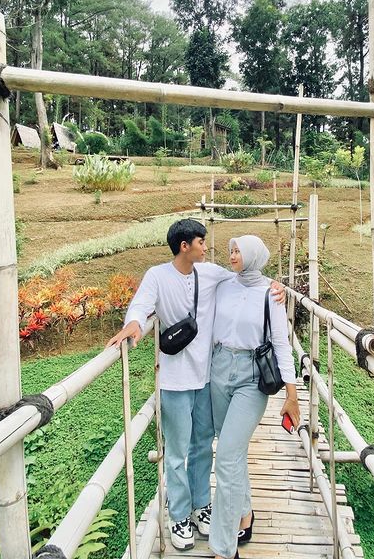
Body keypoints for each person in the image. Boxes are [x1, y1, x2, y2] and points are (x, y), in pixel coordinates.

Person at [106, 219, 284, 551]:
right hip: (174, 380)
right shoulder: (157, 276)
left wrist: (277, 287)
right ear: (185, 246)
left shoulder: (210, 272)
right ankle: (180, 516)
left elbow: (246, 277)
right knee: (176, 452)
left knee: (202, 445)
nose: (207, 247)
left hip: (206, 377)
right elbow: (142, 305)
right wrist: (133, 324)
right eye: (201, 241)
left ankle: (201, 505)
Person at [208, 235, 300, 559]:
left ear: (253, 257)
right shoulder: (222, 283)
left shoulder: (269, 294)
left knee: (227, 457)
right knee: (231, 452)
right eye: (231, 250)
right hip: (218, 370)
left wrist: (292, 395)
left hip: (251, 377)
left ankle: (223, 547)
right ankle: (245, 514)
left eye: (238, 251)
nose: (232, 255)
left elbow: (282, 343)